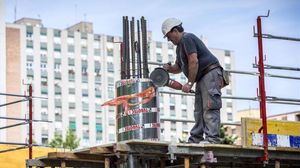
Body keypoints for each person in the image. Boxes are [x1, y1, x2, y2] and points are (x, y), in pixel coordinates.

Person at [161, 18, 224, 144]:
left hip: (210, 73)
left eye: (169, 36)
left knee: (210, 106)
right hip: (201, 77)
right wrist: (169, 69)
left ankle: (212, 139)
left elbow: (193, 60)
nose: (169, 40)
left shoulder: (187, 38)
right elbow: (178, 67)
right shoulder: (179, 47)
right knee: (199, 110)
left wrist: (189, 83)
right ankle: (196, 138)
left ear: (175, 30)